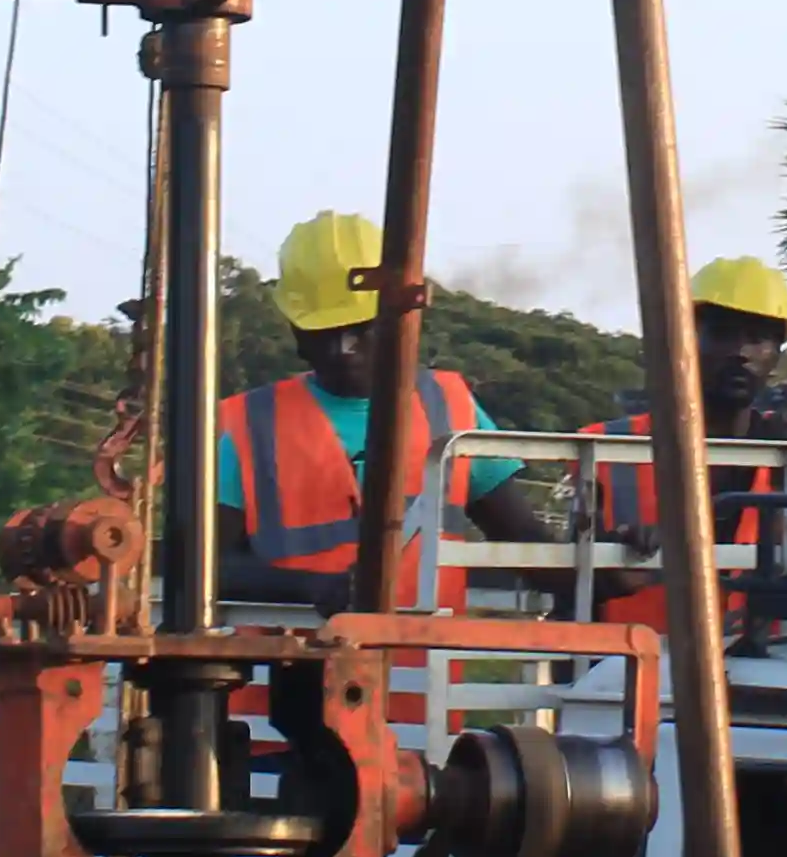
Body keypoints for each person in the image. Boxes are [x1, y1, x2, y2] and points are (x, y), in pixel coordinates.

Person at [211, 209, 550, 610]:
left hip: (425, 651)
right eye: (325, 332)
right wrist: (309, 588)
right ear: (295, 330)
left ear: (397, 318)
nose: (344, 349)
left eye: (359, 329)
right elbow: (204, 568)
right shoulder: (247, 425)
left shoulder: (451, 406)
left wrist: (601, 575)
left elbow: (524, 539)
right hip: (293, 650)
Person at [582, 253, 787, 628]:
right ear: (683, 339)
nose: (741, 353)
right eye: (722, 334)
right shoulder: (605, 447)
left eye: (757, 338)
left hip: (765, 660)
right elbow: (566, 584)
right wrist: (615, 559)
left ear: (777, 355)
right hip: (630, 658)